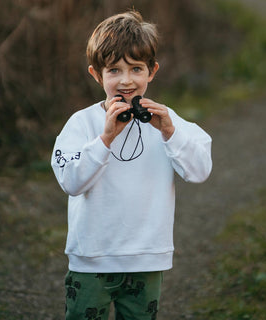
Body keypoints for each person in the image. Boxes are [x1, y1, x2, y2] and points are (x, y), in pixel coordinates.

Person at [51, 10, 212, 320]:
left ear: (151, 72)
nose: (126, 80)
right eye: (113, 70)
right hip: (92, 259)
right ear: (96, 74)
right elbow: (71, 181)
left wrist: (169, 132)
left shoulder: (167, 120)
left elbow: (200, 170)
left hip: (147, 259)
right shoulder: (82, 123)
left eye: (136, 69)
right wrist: (105, 139)